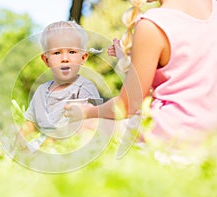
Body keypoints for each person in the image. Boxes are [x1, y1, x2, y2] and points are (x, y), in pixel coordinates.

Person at [65, 0, 217, 147]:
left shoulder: (153, 24)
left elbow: (126, 106)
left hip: (166, 135)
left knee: (80, 126)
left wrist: (87, 111)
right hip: (210, 138)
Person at [20, 21, 102, 151]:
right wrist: (18, 140)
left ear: (83, 57)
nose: (65, 58)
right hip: (42, 143)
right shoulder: (41, 91)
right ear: (46, 60)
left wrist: (52, 141)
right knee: (20, 149)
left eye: (72, 52)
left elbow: (89, 121)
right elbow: (31, 124)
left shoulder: (85, 88)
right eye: (57, 53)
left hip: (73, 143)